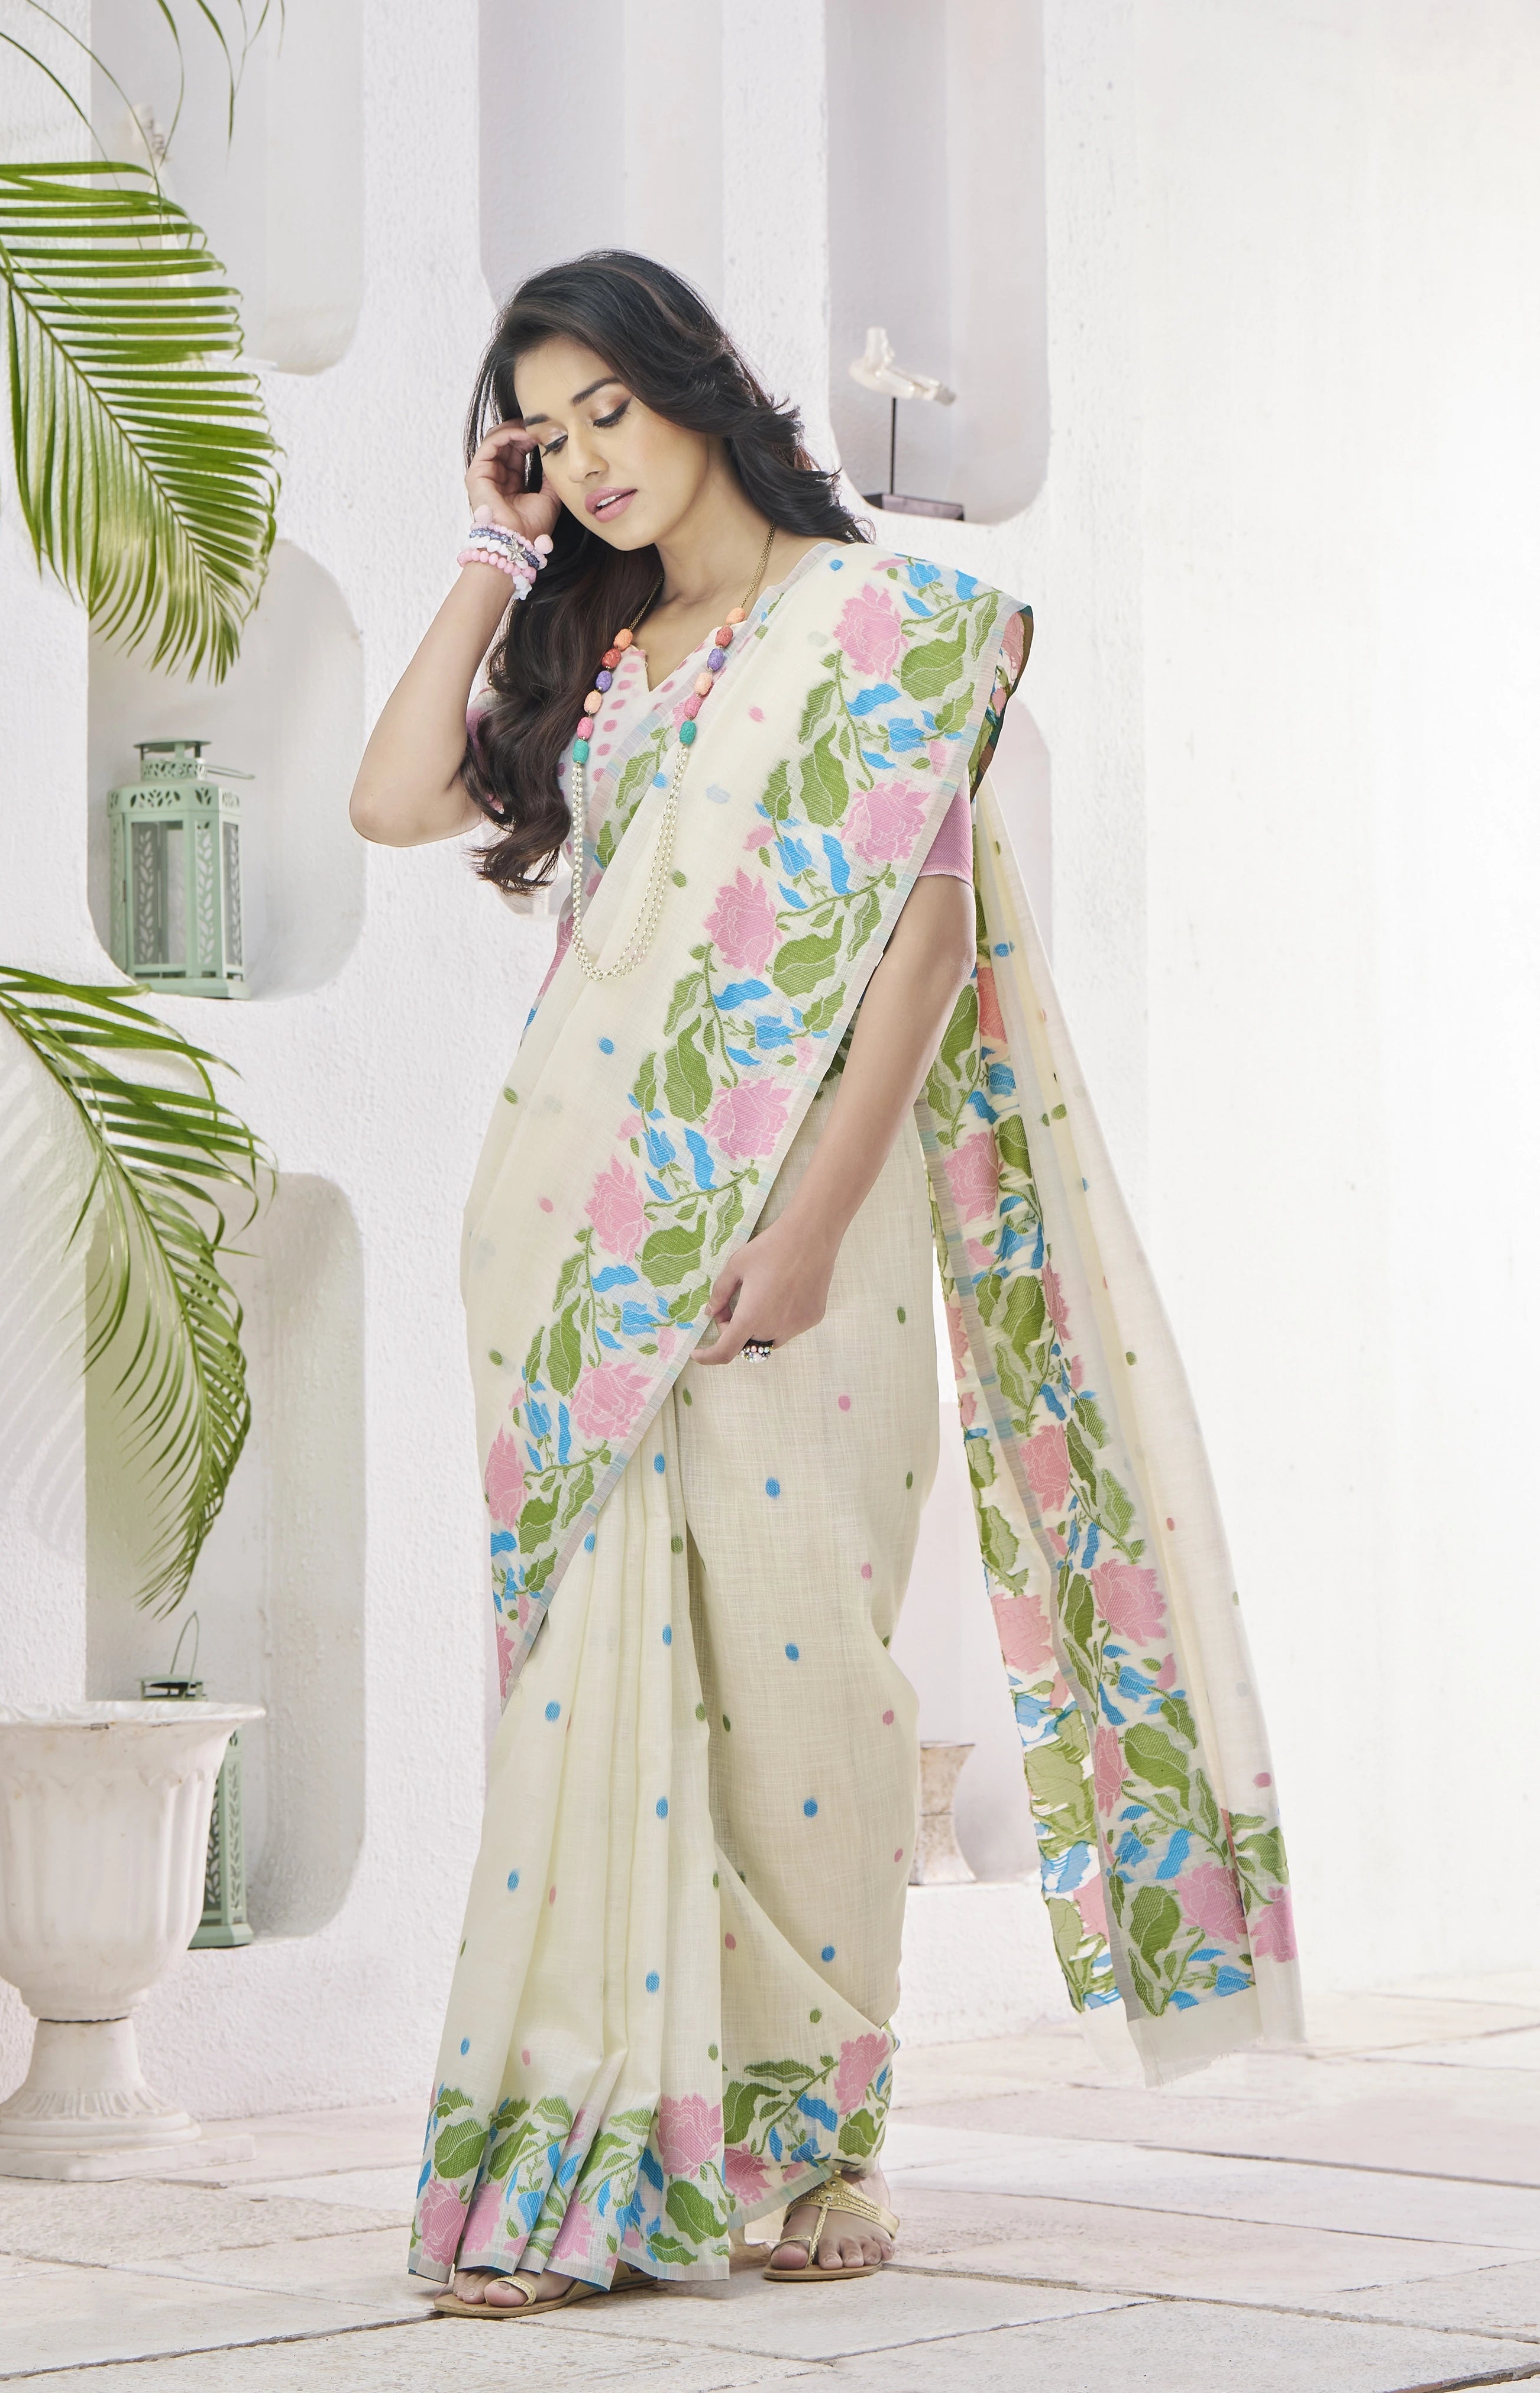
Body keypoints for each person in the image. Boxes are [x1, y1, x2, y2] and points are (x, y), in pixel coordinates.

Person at [350, 252, 1300, 2323]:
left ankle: (810, 2147)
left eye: (613, 410)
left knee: (810, 1674)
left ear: (703, 389)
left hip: (805, 1224)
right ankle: (576, 2137)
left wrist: (800, 1227)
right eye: (548, 427)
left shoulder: (887, 632)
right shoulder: (598, 651)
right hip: (572, 1231)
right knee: (592, 1697)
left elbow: (925, 952)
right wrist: (485, 557)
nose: (588, 460)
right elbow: (392, 797)